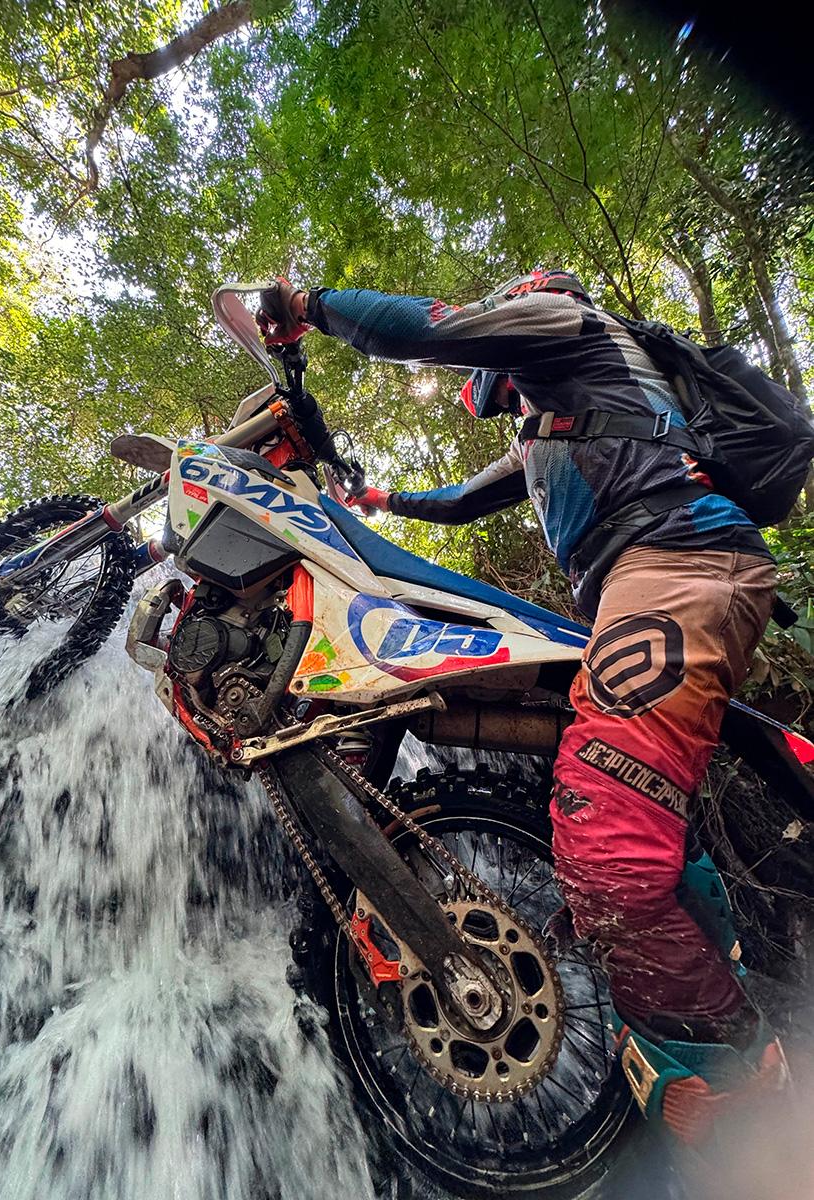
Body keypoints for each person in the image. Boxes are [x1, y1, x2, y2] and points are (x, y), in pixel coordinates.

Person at [258, 271, 787, 1142]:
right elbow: (467, 499)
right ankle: (712, 962)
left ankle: (747, 1101)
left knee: (607, 848)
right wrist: (382, 502)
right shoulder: (557, 419)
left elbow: (429, 326)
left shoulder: (565, 323)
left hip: (678, 562)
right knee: (630, 806)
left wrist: (308, 306)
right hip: (656, 577)